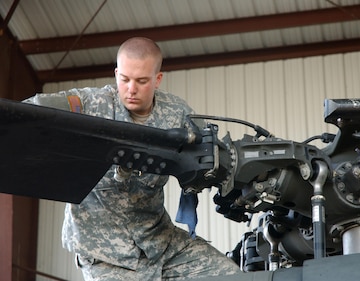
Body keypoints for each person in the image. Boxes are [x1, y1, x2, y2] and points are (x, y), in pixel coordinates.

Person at [24, 37, 241, 281]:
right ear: (116, 73)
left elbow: (213, 155)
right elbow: (33, 111)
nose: (131, 89)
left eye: (141, 81)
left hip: (159, 243)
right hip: (105, 255)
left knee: (232, 276)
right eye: (124, 79)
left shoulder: (177, 114)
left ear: (157, 79)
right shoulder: (92, 105)